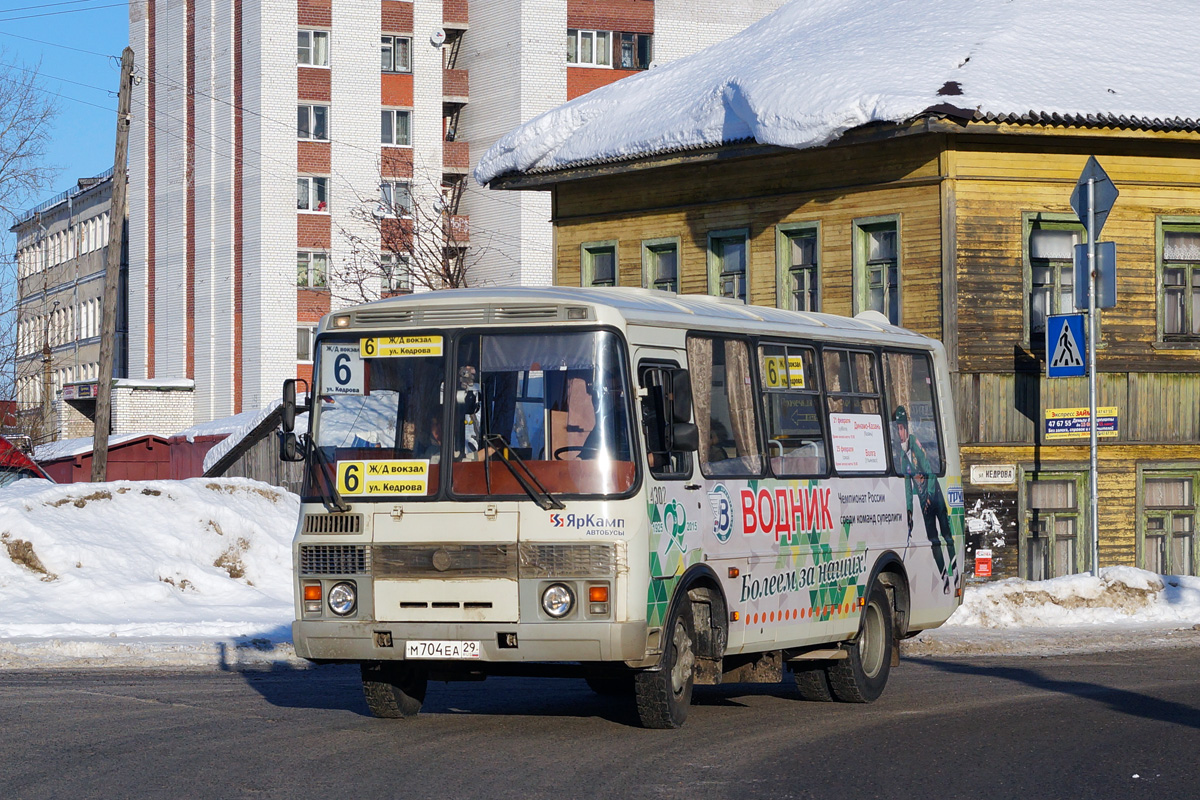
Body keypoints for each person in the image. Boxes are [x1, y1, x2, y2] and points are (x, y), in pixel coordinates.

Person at [893, 405, 957, 594]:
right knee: (933, 539)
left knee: (946, 535)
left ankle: (955, 573)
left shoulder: (914, 445)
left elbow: (929, 471)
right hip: (922, 500)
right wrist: (910, 511)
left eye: (902, 427)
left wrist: (929, 496)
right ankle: (945, 578)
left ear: (907, 428)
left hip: (934, 494)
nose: (900, 432)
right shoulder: (902, 455)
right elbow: (907, 485)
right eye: (897, 428)